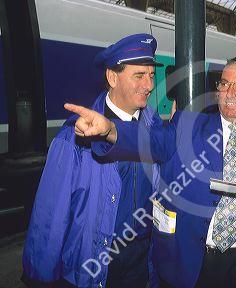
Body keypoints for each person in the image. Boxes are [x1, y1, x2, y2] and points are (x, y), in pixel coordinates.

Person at [64, 56, 236, 288]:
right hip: (189, 263)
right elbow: (150, 140)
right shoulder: (188, 125)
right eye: (224, 83)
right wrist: (111, 130)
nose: (229, 92)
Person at [22, 33, 163, 288]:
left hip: (143, 267)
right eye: (139, 75)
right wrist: (40, 277)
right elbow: (50, 216)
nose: (150, 85)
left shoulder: (155, 129)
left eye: (152, 75)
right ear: (112, 77)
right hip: (95, 267)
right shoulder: (74, 138)